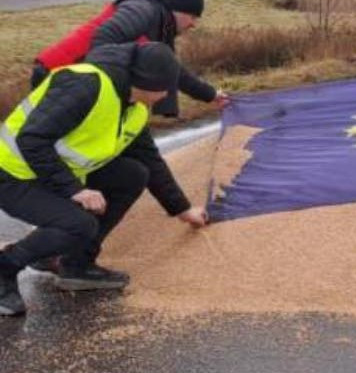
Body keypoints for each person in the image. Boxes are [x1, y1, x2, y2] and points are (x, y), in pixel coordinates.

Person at [0, 43, 208, 317]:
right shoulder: (86, 84)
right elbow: (32, 139)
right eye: (166, 87)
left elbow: (149, 159)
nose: (168, 94)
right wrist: (75, 190)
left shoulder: (135, 107)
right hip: (12, 174)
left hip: (49, 172)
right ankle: (6, 267)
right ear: (148, 82)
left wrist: (181, 209)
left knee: (133, 174)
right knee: (78, 225)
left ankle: (76, 264)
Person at [32, 0, 229, 116]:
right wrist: (116, 90)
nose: (194, 24)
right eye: (193, 16)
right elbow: (103, 39)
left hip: (77, 81)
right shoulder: (143, 9)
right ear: (177, 9)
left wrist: (210, 94)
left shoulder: (161, 27)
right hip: (56, 75)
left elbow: (171, 71)